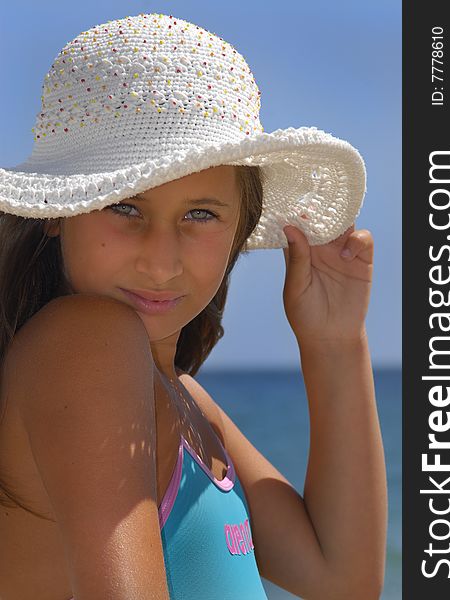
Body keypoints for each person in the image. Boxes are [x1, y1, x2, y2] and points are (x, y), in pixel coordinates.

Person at [0, 12, 387, 600]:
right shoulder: (86, 339)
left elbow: (342, 578)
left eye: (200, 214)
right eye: (125, 207)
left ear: (241, 228)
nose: (161, 261)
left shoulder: (181, 396)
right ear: (59, 211)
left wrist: (334, 343)